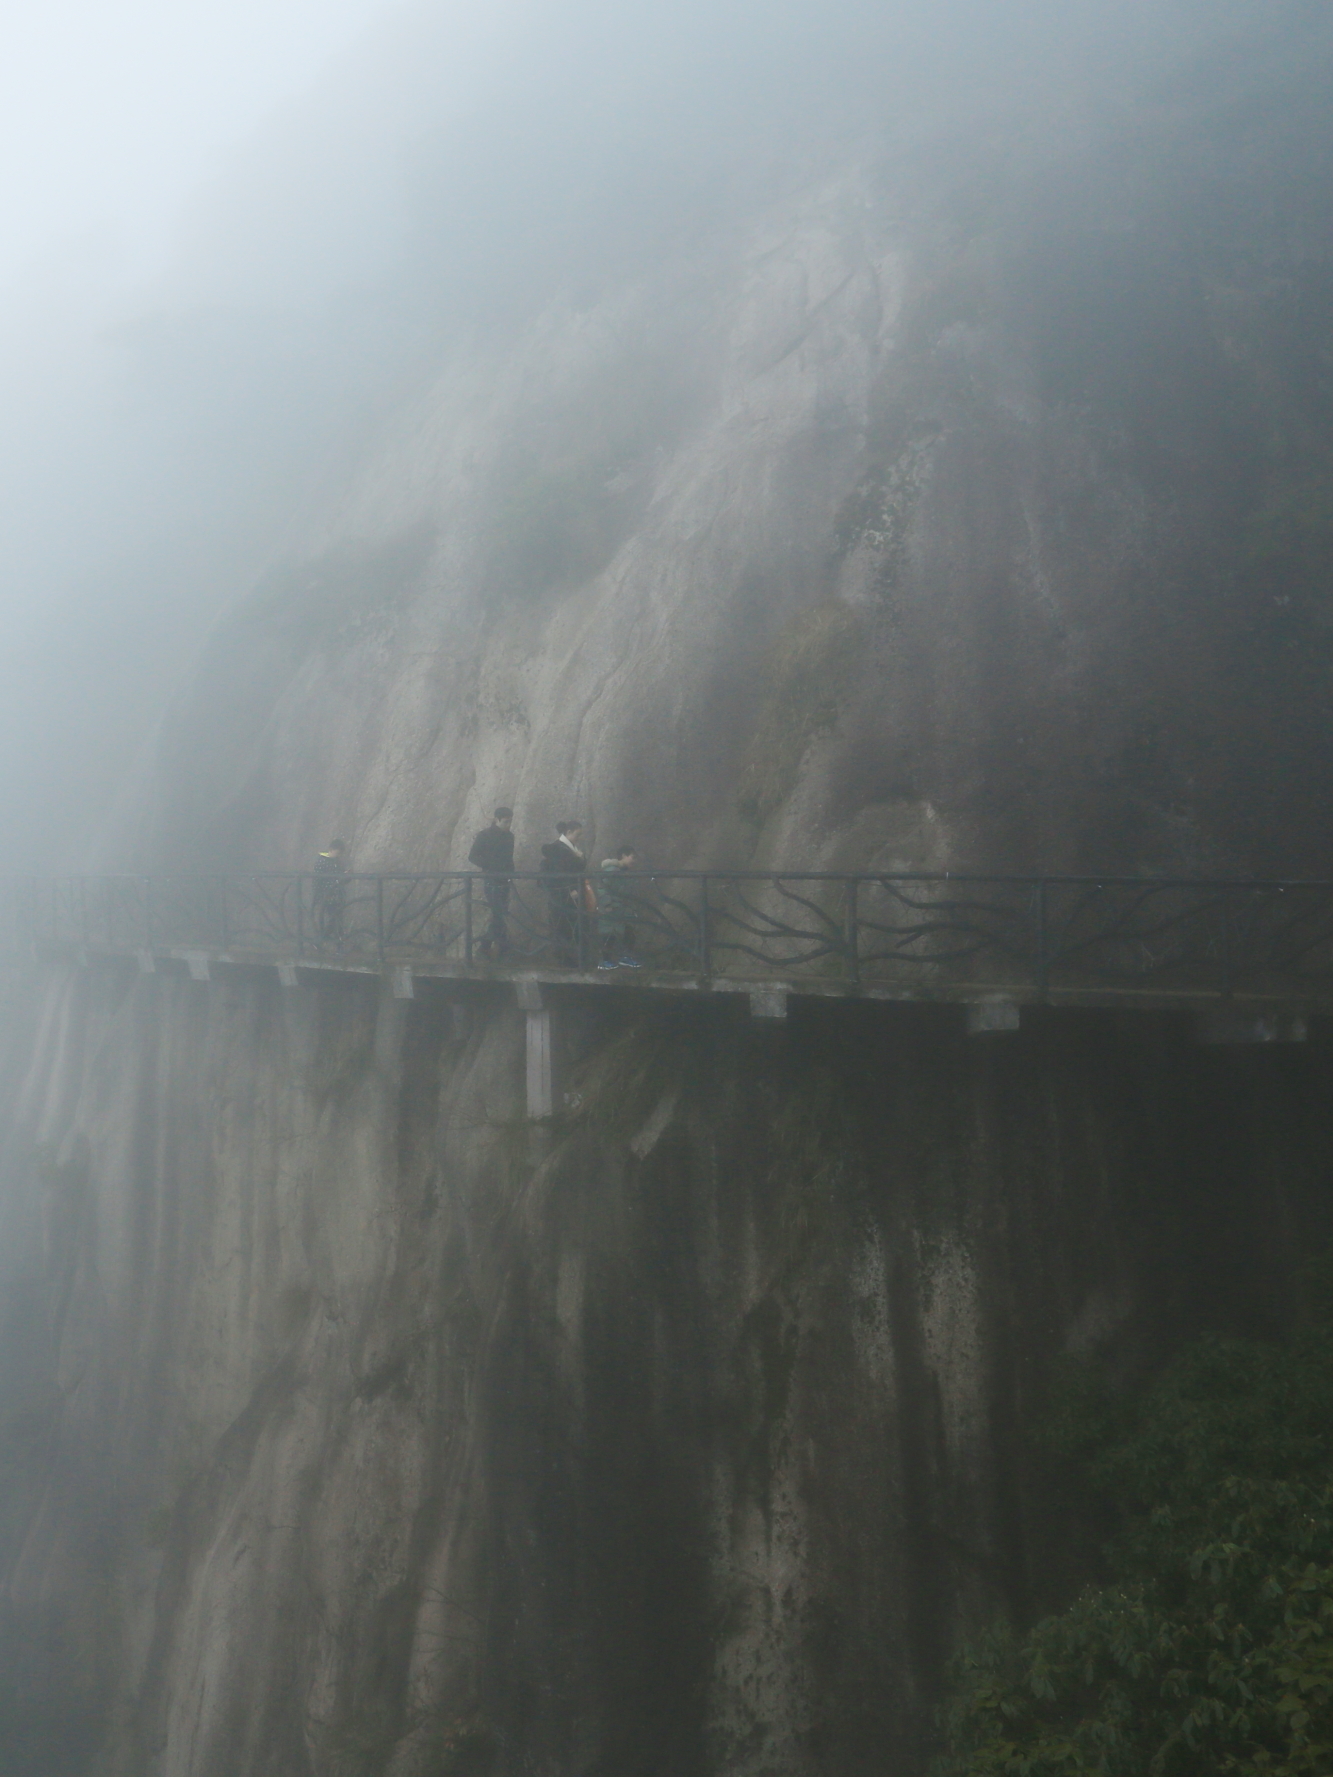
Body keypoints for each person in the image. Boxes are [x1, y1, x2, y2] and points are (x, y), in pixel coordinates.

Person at [468, 806, 515, 958]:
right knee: (498, 913)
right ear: (497, 820)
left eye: (510, 822)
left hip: (505, 880)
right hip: (491, 880)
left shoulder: (510, 837)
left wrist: (511, 873)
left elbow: (509, 858)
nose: (508, 825)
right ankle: (496, 947)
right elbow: (473, 856)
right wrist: (489, 865)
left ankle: (491, 947)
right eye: (506, 822)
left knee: (500, 914)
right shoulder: (484, 835)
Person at [539, 820, 588, 965]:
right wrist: (570, 889)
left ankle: (568, 957)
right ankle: (564, 958)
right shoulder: (558, 849)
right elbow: (562, 871)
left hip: (565, 892)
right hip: (562, 893)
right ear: (568, 832)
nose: (579, 838)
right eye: (577, 834)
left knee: (569, 923)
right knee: (563, 924)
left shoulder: (566, 847)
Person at [597, 846, 643, 969]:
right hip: (612, 907)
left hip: (621, 908)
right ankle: (604, 961)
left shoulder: (622, 871)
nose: (634, 861)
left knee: (627, 932)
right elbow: (602, 887)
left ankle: (625, 957)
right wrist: (607, 904)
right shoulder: (612, 870)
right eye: (632, 857)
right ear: (623, 855)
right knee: (609, 934)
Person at [312, 838, 347, 945]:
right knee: (334, 919)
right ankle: (321, 941)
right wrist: (318, 897)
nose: (339, 855)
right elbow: (317, 881)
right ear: (331, 849)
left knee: (336, 920)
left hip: (336, 895)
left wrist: (346, 876)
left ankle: (333, 943)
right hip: (327, 896)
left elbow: (338, 877)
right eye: (338, 852)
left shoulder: (336, 861)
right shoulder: (321, 861)